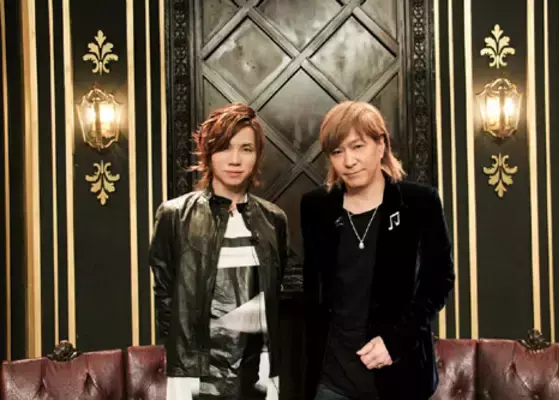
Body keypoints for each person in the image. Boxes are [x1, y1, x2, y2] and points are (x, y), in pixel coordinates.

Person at [300, 101, 455, 400]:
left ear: (380, 144)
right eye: (337, 152)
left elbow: (439, 281)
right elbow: (315, 291)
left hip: (400, 373)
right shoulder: (315, 207)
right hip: (331, 379)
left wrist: (395, 342)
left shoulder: (419, 202)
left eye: (357, 146)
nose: (349, 161)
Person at [150, 103, 289, 400]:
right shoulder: (174, 216)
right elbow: (165, 299)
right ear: (208, 152)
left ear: (257, 155)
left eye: (246, 149)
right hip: (193, 370)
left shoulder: (273, 220)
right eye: (225, 147)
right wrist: (182, 363)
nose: (235, 160)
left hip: (260, 367)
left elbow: (273, 295)